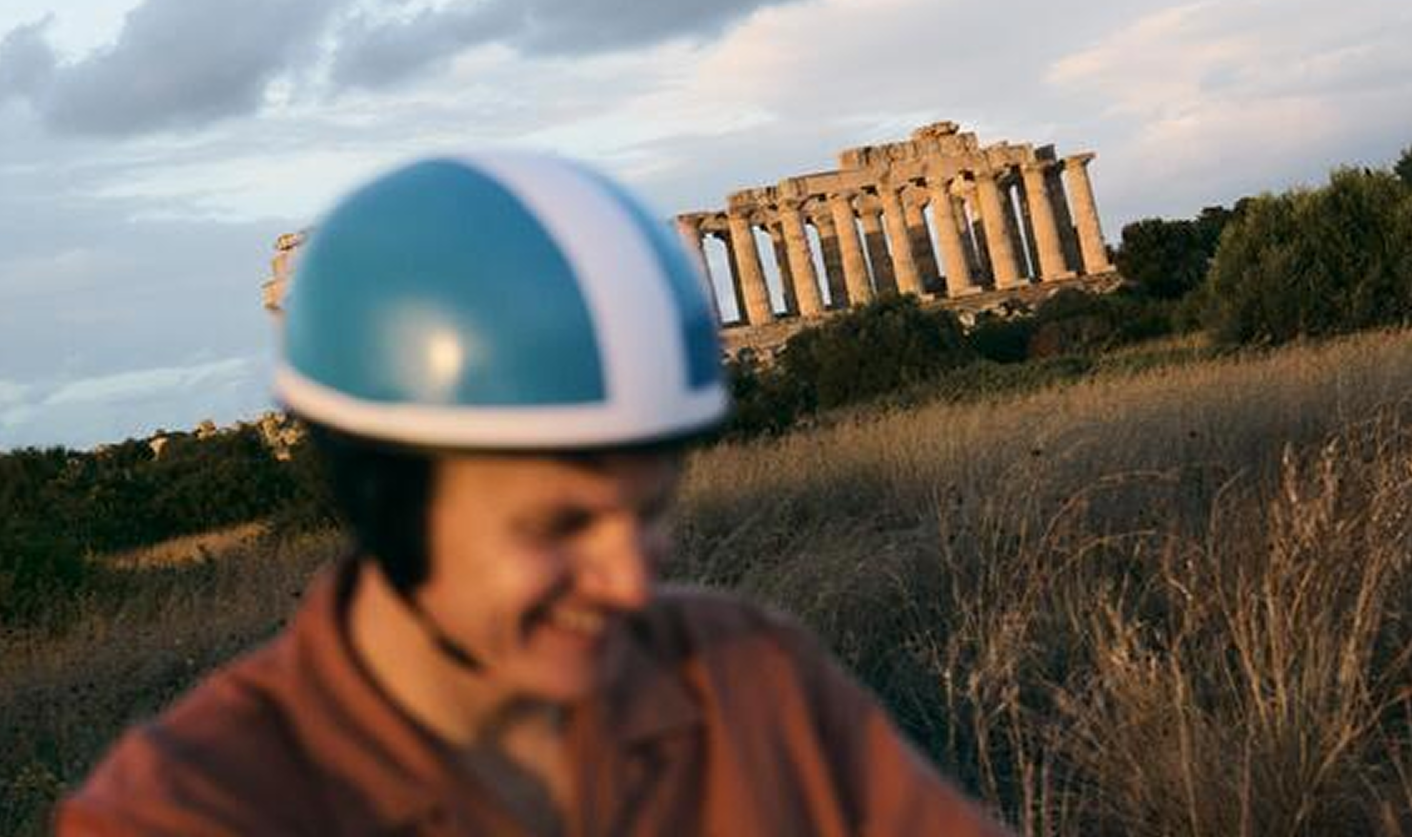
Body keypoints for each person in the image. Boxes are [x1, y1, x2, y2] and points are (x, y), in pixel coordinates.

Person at [57, 154, 1008, 836]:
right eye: (557, 526)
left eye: (649, 508)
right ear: (385, 501)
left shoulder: (748, 676)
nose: (631, 581)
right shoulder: (191, 807)